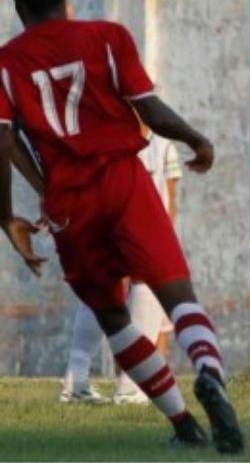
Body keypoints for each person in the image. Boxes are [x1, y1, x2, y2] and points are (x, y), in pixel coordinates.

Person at [0, 0, 243, 453]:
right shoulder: (108, 37)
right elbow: (149, 109)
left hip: (69, 201)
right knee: (177, 296)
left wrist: (10, 216)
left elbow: (2, 141)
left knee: (111, 315)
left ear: (16, 3)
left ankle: (183, 425)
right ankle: (210, 373)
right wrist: (197, 140)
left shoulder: (7, 64)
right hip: (124, 180)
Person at [58, 124, 184, 405]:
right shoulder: (108, 138)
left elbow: (170, 197)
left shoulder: (162, 147)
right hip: (118, 223)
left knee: (101, 291)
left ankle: (75, 382)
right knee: (139, 285)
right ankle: (128, 387)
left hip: (134, 225)